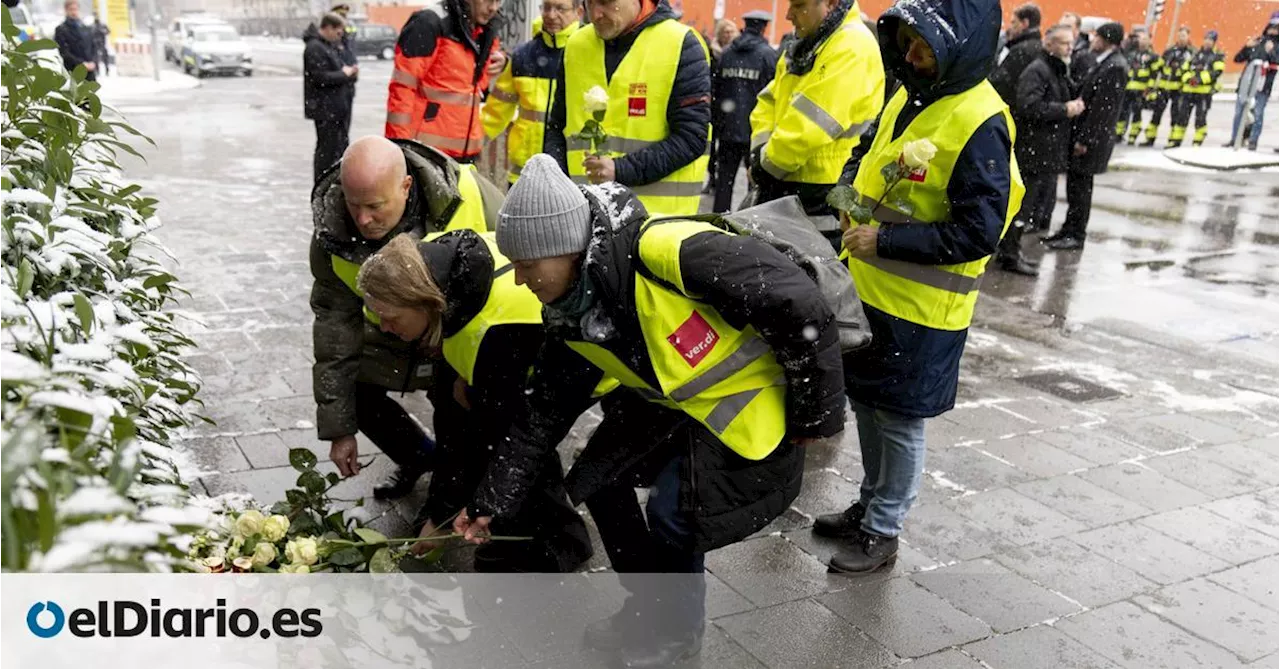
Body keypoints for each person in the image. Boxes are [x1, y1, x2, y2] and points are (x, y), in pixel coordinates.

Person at [455, 154, 845, 667]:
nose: (522, 279)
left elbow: (797, 302)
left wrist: (817, 416)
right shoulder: (571, 311)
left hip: (752, 404)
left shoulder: (666, 252)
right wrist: (492, 500)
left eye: (528, 265)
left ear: (566, 249)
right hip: (675, 405)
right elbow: (543, 413)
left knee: (674, 513)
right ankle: (648, 606)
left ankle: (678, 630)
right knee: (600, 482)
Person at [820, 0, 1023, 573]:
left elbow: (979, 231)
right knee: (866, 405)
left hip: (923, 311)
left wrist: (884, 241)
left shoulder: (981, 121)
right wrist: (845, 201)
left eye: (923, 47)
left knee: (900, 421)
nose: (909, 55)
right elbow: (865, 154)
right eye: (906, 41)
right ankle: (868, 506)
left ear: (958, 48)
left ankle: (884, 530)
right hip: (868, 295)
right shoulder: (910, 95)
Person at [354, 231, 593, 573]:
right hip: (509, 360)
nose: (385, 327)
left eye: (392, 317)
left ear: (426, 301)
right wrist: (442, 509)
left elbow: (489, 439)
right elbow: (449, 420)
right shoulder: (433, 263)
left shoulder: (495, 332)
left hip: (593, 368)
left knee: (515, 448)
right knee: (471, 418)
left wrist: (443, 516)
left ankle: (560, 544)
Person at [310, 136, 503, 502]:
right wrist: (339, 430)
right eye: (354, 205)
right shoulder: (331, 230)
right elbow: (334, 325)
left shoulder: (471, 195)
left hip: (459, 336)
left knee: (458, 410)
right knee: (351, 394)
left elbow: (517, 266)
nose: (363, 219)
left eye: (375, 206)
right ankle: (420, 459)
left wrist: (473, 363)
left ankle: (455, 497)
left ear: (406, 186)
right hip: (389, 336)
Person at [544, 0, 712, 217]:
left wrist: (621, 170)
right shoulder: (576, 45)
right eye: (589, 3)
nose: (595, 14)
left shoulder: (681, 43)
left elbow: (691, 138)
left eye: (605, 2)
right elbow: (557, 126)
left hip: (656, 224)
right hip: (584, 217)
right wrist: (556, 182)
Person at [748, 0, 884, 237]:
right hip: (791, 181)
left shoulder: (852, 46)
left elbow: (812, 127)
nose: (789, 15)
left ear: (830, 4)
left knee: (805, 269)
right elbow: (769, 99)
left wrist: (765, 164)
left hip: (822, 188)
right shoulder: (808, 43)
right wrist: (762, 152)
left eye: (799, 6)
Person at [996, 25, 1082, 275]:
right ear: (1049, 44)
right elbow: (1029, 106)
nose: (1070, 48)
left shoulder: (1055, 70)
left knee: (1027, 204)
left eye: (1071, 43)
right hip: (1032, 150)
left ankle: (1011, 250)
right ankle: (1009, 253)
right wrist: (1063, 109)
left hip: (1043, 152)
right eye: (1065, 43)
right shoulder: (1038, 70)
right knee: (1022, 205)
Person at [385, 0, 505, 162]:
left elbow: (476, 87)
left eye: (499, 1)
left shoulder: (483, 30)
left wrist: (504, 60)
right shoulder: (429, 23)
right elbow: (402, 90)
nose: (493, 8)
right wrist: (398, 150)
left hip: (466, 153)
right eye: (488, 0)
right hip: (426, 154)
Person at [479, 0, 583, 184]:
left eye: (560, 8)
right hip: (523, 173)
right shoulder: (523, 56)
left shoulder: (587, 54)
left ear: (579, 12)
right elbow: (495, 114)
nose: (551, 15)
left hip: (571, 174)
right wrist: (468, 150)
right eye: (547, 7)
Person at [1044, 22, 1127, 252]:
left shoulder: (1115, 67)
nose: (1093, 41)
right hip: (1085, 136)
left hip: (1091, 142)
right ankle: (1069, 228)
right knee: (1075, 187)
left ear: (1107, 40)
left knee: (1081, 189)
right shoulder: (1103, 63)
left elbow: (1103, 111)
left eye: (1097, 37)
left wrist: (1085, 140)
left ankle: (1076, 233)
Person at [711, 10, 777, 212]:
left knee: (724, 182)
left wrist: (719, 123)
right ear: (763, 28)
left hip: (728, 128)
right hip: (755, 132)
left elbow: (716, 90)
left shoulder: (728, 54)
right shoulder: (768, 56)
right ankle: (749, 223)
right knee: (756, 184)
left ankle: (718, 222)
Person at [304, 14, 359, 181]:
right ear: (328, 28)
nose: (339, 36)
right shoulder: (315, 47)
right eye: (338, 32)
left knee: (338, 148)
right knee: (326, 151)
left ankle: (333, 180)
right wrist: (344, 74)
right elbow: (319, 77)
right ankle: (322, 182)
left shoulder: (328, 45)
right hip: (325, 109)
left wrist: (348, 73)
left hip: (336, 107)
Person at [1228, 18, 1280, 150]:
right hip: (1247, 84)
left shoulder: (1277, 45)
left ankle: (1253, 141)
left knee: (1258, 113)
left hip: (1263, 86)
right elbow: (1238, 59)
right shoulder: (1258, 42)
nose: (1273, 31)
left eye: (1276, 28)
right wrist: (1247, 47)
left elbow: (1276, 61)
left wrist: (1271, 51)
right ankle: (1235, 139)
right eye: (1271, 27)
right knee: (1239, 113)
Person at [1167, 29, 1225, 148]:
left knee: (1200, 118)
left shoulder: (1217, 56)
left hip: (1203, 93)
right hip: (1188, 91)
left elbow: (1216, 72)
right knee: (1182, 117)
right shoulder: (1195, 54)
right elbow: (1184, 69)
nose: (1207, 42)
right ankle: (1176, 140)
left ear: (1214, 42)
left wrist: (1199, 80)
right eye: (1206, 39)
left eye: (1210, 40)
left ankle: (1197, 141)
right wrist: (1189, 79)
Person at [705, 18, 742, 195]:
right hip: (715, 106)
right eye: (725, 32)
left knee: (725, 152)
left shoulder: (738, 53)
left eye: (731, 31)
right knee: (711, 148)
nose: (728, 35)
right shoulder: (712, 52)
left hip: (732, 108)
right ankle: (712, 178)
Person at [1140, 25, 1193, 147]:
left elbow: (1190, 70)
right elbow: (1160, 66)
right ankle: (1150, 138)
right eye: (1179, 36)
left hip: (1178, 89)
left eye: (1184, 36)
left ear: (1188, 37)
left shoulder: (1190, 53)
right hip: (1164, 87)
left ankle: (1173, 140)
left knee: (1176, 115)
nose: (1181, 38)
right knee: (1156, 114)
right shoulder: (1170, 50)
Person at [990, 3, 1042, 105]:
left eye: (1014, 22)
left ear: (1025, 23)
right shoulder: (1039, 46)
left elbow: (1001, 82)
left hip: (1010, 107)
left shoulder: (1020, 50)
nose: (1010, 27)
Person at [1117, 27, 1159, 144]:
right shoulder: (1131, 54)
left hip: (1141, 90)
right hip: (1128, 88)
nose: (1143, 41)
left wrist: (1149, 88)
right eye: (1141, 39)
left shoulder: (1153, 57)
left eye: (1145, 39)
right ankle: (1119, 133)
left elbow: (1154, 74)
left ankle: (1133, 134)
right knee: (1122, 112)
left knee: (1137, 112)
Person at [54, 0, 96, 82]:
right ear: (66, 10)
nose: (74, 12)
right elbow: (63, 52)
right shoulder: (61, 29)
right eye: (71, 9)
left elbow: (93, 47)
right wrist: (81, 63)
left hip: (89, 71)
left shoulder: (86, 28)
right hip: (73, 70)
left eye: (75, 9)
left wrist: (93, 62)